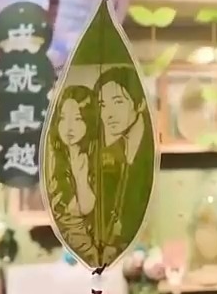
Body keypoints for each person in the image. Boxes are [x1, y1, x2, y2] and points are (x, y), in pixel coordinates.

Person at [92, 65, 154, 254]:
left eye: (118, 102)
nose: (108, 114)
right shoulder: (107, 153)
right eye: (102, 105)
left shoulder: (155, 147)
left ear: (140, 103)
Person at [45, 86, 100, 257]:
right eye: (63, 118)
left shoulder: (95, 158)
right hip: (72, 242)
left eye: (77, 119)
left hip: (90, 244)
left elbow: (88, 207)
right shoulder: (55, 158)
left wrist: (81, 178)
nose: (69, 127)